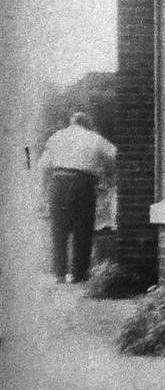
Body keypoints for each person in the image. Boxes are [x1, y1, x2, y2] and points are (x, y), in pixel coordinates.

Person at [37, 111, 117, 284]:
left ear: (71, 122)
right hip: (83, 183)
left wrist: (43, 192)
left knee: (59, 229)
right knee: (83, 229)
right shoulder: (95, 138)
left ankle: (59, 273)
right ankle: (79, 275)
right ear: (88, 124)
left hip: (58, 182)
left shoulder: (57, 137)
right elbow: (114, 157)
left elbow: (43, 166)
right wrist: (109, 177)